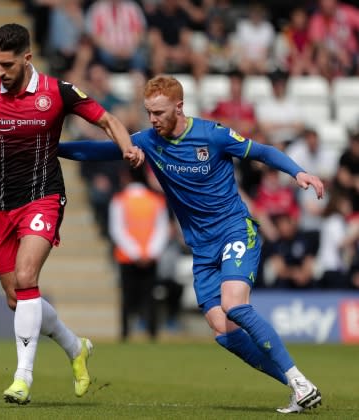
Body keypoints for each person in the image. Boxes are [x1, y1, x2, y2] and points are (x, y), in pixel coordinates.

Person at [57, 75, 324, 414]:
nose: (152, 119)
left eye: (159, 112)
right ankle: (296, 385)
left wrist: (298, 173)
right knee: (221, 328)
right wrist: (52, 147)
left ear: (179, 107)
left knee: (235, 306)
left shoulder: (213, 134)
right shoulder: (149, 141)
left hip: (235, 231)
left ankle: (298, 378)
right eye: (148, 112)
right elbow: (98, 150)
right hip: (201, 248)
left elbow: (263, 151)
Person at [0, 23, 143, 405]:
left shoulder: (57, 92)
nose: (0, 71)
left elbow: (107, 119)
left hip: (43, 197)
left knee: (27, 276)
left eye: (7, 64)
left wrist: (127, 147)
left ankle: (22, 378)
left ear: (27, 58)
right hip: (1, 205)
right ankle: (75, 347)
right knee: (17, 299)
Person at [108, 165, 169, 341]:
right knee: (150, 296)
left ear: (126, 177)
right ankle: (152, 332)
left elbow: (117, 229)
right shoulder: (156, 200)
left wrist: (135, 253)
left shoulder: (120, 200)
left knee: (127, 297)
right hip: (151, 256)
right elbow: (162, 229)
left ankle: (126, 333)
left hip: (127, 257)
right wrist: (150, 252)